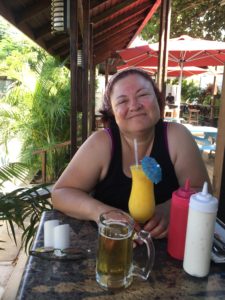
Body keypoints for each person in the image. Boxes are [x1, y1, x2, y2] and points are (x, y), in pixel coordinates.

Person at [52, 68, 211, 239]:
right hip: (113, 246)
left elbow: (202, 191)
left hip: (170, 247)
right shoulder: (102, 144)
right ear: (112, 111)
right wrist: (102, 212)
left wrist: (171, 209)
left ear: (158, 100)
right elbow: (61, 193)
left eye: (143, 95)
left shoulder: (176, 136)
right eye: (122, 101)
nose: (134, 106)